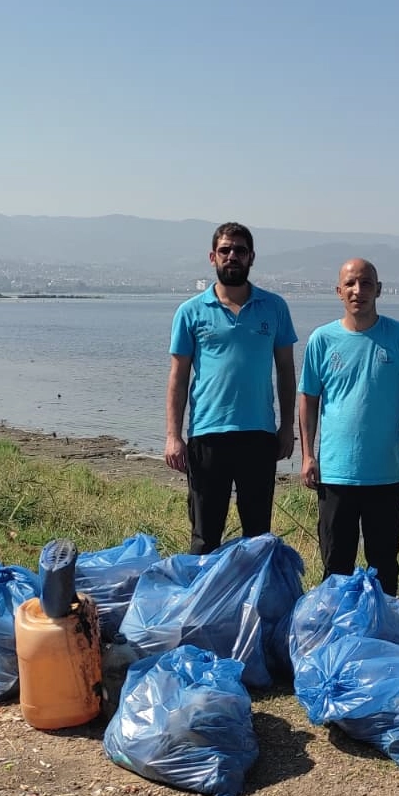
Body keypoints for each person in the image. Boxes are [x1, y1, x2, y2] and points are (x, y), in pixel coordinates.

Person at [298, 258, 399, 596]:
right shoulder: (321, 340)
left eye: (367, 283)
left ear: (379, 289)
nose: (359, 291)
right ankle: (334, 633)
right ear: (339, 291)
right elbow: (308, 400)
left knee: (384, 563)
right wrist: (308, 455)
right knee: (335, 563)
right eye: (351, 284)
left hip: (385, 473)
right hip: (336, 472)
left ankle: (382, 631)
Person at [165, 222, 298, 554]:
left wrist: (286, 428)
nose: (232, 256)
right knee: (204, 536)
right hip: (208, 434)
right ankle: (203, 604)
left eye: (240, 250)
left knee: (257, 537)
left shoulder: (274, 307)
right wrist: (173, 435)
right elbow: (178, 378)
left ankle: (251, 604)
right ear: (213, 257)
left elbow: (285, 371)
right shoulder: (190, 312)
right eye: (225, 250)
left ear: (252, 257)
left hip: (259, 434)